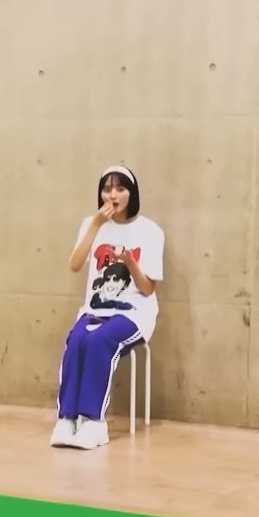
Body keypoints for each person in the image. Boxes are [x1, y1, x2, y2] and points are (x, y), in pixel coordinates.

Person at [51, 164, 164, 449]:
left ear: (131, 193)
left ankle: (94, 422)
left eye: (120, 189)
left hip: (134, 314)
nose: (112, 195)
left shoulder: (150, 231)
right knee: (77, 340)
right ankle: (67, 419)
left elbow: (148, 289)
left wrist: (130, 263)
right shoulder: (92, 225)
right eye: (106, 189)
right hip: (95, 310)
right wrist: (95, 225)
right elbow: (75, 264)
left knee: (99, 341)